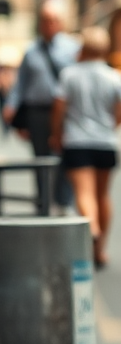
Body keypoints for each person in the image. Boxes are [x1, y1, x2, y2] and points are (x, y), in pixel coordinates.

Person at [50, 26, 121, 268]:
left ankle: (91, 226)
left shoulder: (69, 75)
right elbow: (119, 113)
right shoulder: (114, 76)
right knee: (103, 195)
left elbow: (59, 108)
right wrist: (109, 125)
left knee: (84, 193)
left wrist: (56, 134)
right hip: (105, 142)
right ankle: (100, 250)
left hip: (77, 141)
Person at [3, 0, 80, 211]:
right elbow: (20, 83)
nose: (49, 24)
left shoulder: (73, 48)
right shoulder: (31, 51)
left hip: (65, 113)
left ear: (61, 22)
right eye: (45, 20)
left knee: (64, 158)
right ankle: (43, 203)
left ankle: (63, 202)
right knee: (40, 159)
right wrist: (11, 106)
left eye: (53, 20)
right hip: (37, 113)